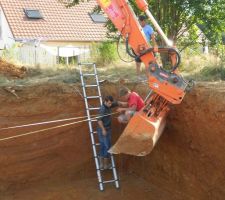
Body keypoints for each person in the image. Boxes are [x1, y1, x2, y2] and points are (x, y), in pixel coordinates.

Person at [97, 95, 118, 169]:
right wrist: (103, 130)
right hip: (103, 130)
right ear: (105, 102)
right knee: (107, 146)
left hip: (107, 129)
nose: (110, 105)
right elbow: (99, 120)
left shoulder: (109, 105)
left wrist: (126, 104)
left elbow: (117, 103)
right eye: (109, 103)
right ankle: (106, 165)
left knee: (103, 146)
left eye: (111, 103)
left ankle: (102, 165)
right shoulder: (102, 109)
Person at [135, 15, 158, 79]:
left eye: (140, 21)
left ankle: (149, 78)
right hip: (139, 49)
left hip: (146, 48)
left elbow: (153, 38)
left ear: (143, 21)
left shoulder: (149, 28)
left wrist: (155, 46)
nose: (139, 22)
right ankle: (138, 78)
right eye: (139, 21)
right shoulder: (137, 28)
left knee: (147, 64)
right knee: (138, 63)